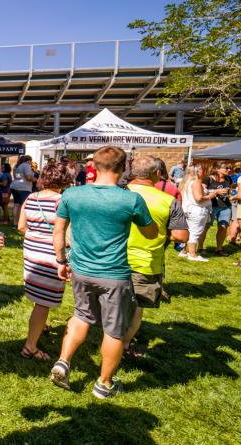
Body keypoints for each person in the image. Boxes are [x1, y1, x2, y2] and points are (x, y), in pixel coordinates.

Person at [50, 146, 157, 399]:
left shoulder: (71, 194)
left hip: (81, 270)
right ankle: (104, 383)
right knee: (114, 330)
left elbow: (58, 232)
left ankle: (63, 361)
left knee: (81, 316)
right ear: (123, 169)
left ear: (94, 167)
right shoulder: (130, 199)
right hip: (114, 274)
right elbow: (150, 232)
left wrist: (60, 261)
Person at [122, 155, 189, 357]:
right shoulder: (168, 201)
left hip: (112, 259)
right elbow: (180, 236)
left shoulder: (117, 194)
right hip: (146, 263)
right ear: (157, 174)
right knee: (136, 308)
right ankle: (124, 345)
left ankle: (109, 338)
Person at [17, 162, 71, 361]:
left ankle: (41, 326)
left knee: (39, 298)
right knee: (43, 303)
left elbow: (21, 226)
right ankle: (30, 347)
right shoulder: (62, 201)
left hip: (31, 253)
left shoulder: (31, 197)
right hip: (50, 255)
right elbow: (66, 234)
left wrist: (37, 235)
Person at [179, 165, 220, 262]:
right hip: (197, 210)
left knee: (189, 231)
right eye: (202, 169)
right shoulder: (197, 182)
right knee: (195, 232)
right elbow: (199, 198)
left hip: (187, 209)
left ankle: (184, 251)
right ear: (198, 171)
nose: (204, 171)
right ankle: (192, 254)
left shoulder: (185, 182)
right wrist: (211, 195)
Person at [199, 162, 233, 256]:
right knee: (206, 227)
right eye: (226, 168)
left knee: (223, 227)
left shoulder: (228, 179)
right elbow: (202, 192)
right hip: (211, 206)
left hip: (225, 206)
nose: (229, 170)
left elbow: (229, 190)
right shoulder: (208, 179)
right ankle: (200, 247)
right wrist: (216, 191)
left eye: (229, 168)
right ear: (217, 169)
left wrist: (229, 194)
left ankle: (219, 248)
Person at [11, 155, 35, 226]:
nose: (31, 162)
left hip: (15, 186)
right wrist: (34, 179)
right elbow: (28, 177)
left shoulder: (17, 166)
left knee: (16, 205)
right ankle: (22, 223)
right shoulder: (26, 165)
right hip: (24, 188)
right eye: (31, 161)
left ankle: (15, 223)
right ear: (28, 160)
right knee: (24, 206)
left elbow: (17, 177)